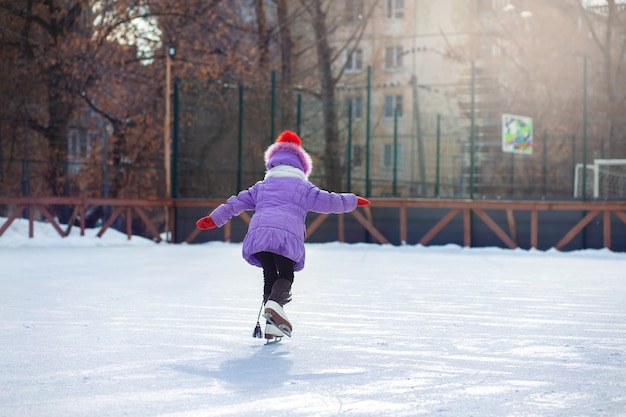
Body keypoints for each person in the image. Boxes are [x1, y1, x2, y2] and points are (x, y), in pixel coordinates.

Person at [195, 130, 370, 342]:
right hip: (285, 236)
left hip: (259, 235)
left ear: (273, 163)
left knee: (269, 271)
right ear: (300, 165)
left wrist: (214, 219)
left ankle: (271, 326)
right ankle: (275, 305)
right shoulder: (303, 187)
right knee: (286, 272)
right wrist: (352, 200)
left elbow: (235, 203)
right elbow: (329, 201)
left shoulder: (262, 186)